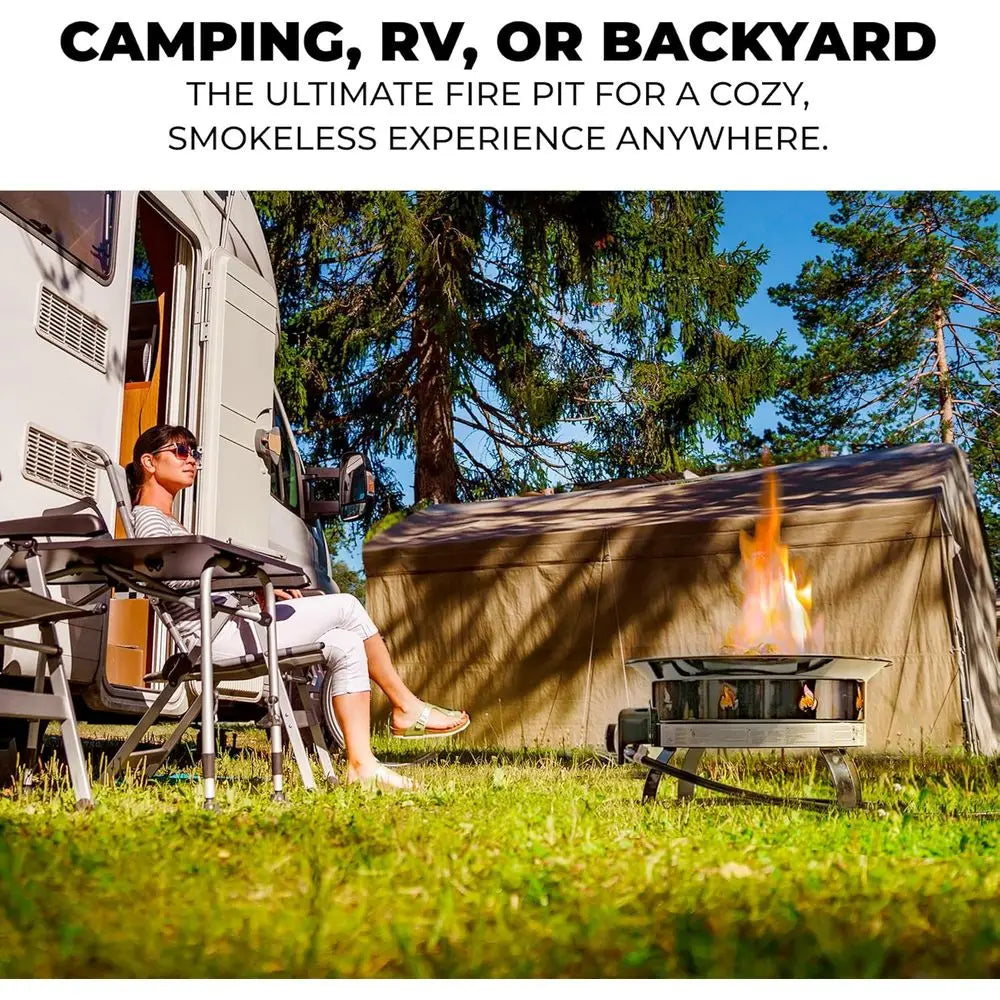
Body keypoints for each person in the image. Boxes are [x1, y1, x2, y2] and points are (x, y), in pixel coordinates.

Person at [125, 424, 470, 790]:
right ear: (149, 462)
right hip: (217, 638)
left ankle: (361, 765)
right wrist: (246, 582)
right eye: (180, 451)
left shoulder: (167, 521)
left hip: (231, 626)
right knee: (349, 607)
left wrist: (251, 588)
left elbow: (193, 579)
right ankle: (405, 706)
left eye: (194, 452)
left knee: (345, 643)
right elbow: (168, 578)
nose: (191, 459)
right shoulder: (148, 519)